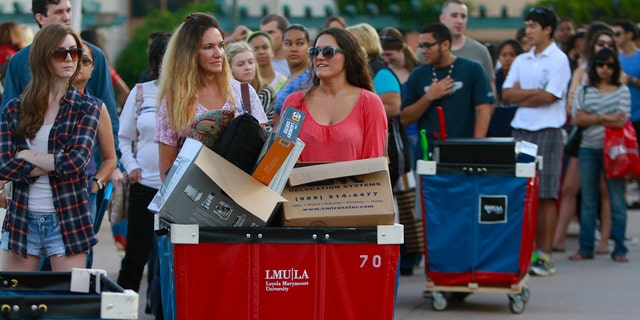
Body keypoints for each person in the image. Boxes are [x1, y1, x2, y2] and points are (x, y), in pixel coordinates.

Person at [0, 23, 100, 271]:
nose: (69, 59)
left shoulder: (86, 107)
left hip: (68, 218)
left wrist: (28, 155)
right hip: (22, 217)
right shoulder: (15, 108)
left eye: (75, 52)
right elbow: (3, 166)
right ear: (43, 58)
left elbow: (76, 162)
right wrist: (55, 163)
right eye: (60, 53)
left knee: (68, 303)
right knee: (15, 303)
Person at [1, 0, 121, 191]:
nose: (66, 16)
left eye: (68, 10)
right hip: (28, 187)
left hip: (82, 180)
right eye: (58, 12)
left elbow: (108, 112)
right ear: (40, 18)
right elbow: (7, 122)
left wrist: (100, 178)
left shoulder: (93, 56)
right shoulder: (20, 61)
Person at [155, 13, 268, 181]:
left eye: (221, 45)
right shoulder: (173, 101)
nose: (218, 53)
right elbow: (167, 167)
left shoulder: (243, 91)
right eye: (208, 47)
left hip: (242, 193)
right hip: (194, 197)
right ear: (190, 54)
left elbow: (262, 151)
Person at [502, 7, 572, 277]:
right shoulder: (521, 59)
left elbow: (551, 97)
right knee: (519, 191)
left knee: (546, 193)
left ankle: (544, 254)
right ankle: (521, 251)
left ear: (548, 30)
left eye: (534, 25)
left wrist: (524, 95)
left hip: (548, 130)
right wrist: (534, 94)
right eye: (527, 24)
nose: (528, 30)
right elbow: (506, 94)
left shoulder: (559, 59)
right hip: (520, 130)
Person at [117, 32, 171, 318]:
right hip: (145, 185)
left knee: (171, 261)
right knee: (135, 258)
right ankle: (121, 312)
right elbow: (123, 137)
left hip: (178, 191)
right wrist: (131, 166)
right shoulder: (141, 91)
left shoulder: (194, 91)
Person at [553, 28, 618, 255]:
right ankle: (557, 239)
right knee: (570, 187)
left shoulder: (617, 75)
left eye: (609, 43)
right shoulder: (583, 71)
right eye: (601, 43)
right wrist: (599, 116)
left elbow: (620, 113)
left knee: (604, 191)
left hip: (609, 140)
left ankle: (604, 241)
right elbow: (573, 104)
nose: (605, 47)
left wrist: (594, 116)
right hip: (583, 138)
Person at [281, 27, 387, 162]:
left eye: (328, 52)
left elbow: (374, 164)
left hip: (356, 183)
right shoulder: (294, 102)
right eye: (314, 52)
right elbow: (281, 158)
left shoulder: (370, 103)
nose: (319, 57)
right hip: (303, 183)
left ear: (348, 56)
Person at [569, 47, 630, 263]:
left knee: (616, 200)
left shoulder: (622, 90)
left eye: (610, 65)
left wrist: (593, 117)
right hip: (588, 148)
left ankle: (620, 248)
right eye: (601, 64)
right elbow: (577, 119)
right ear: (594, 66)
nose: (605, 68)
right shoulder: (584, 90)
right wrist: (606, 117)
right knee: (588, 200)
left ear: (615, 68)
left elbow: (622, 119)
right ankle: (586, 248)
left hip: (614, 151)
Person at [400, 22, 494, 159]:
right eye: (420, 46)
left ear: (445, 45)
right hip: (429, 153)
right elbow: (405, 118)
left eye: (427, 45)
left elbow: (484, 110)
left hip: (464, 151)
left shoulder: (473, 69)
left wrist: (476, 146)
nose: (423, 51)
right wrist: (429, 97)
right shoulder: (417, 74)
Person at [439, 0, 496, 96]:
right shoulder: (428, 51)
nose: (459, 21)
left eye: (463, 16)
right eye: (454, 15)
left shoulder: (480, 51)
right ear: (442, 18)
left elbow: (490, 91)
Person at [226, 41, 276, 131]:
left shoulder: (265, 91)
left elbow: (261, 128)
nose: (248, 67)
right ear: (229, 68)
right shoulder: (223, 92)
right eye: (240, 64)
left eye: (251, 62)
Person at [80, 29, 130, 109]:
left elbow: (124, 91)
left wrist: (113, 104)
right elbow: (125, 91)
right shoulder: (107, 68)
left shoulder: (104, 68)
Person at [273, 24, 313, 116]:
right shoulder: (290, 77)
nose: (293, 49)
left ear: (308, 46)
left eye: (299, 43)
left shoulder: (312, 76)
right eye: (288, 44)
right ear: (282, 46)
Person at [487, 39, 524, 137]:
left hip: (519, 130)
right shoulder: (492, 80)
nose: (508, 59)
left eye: (512, 55)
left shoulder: (525, 79)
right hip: (495, 131)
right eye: (504, 55)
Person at [613, 20, 640, 142]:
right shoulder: (615, 59)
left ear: (629, 34)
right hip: (621, 118)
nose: (615, 37)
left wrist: (631, 80)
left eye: (618, 33)